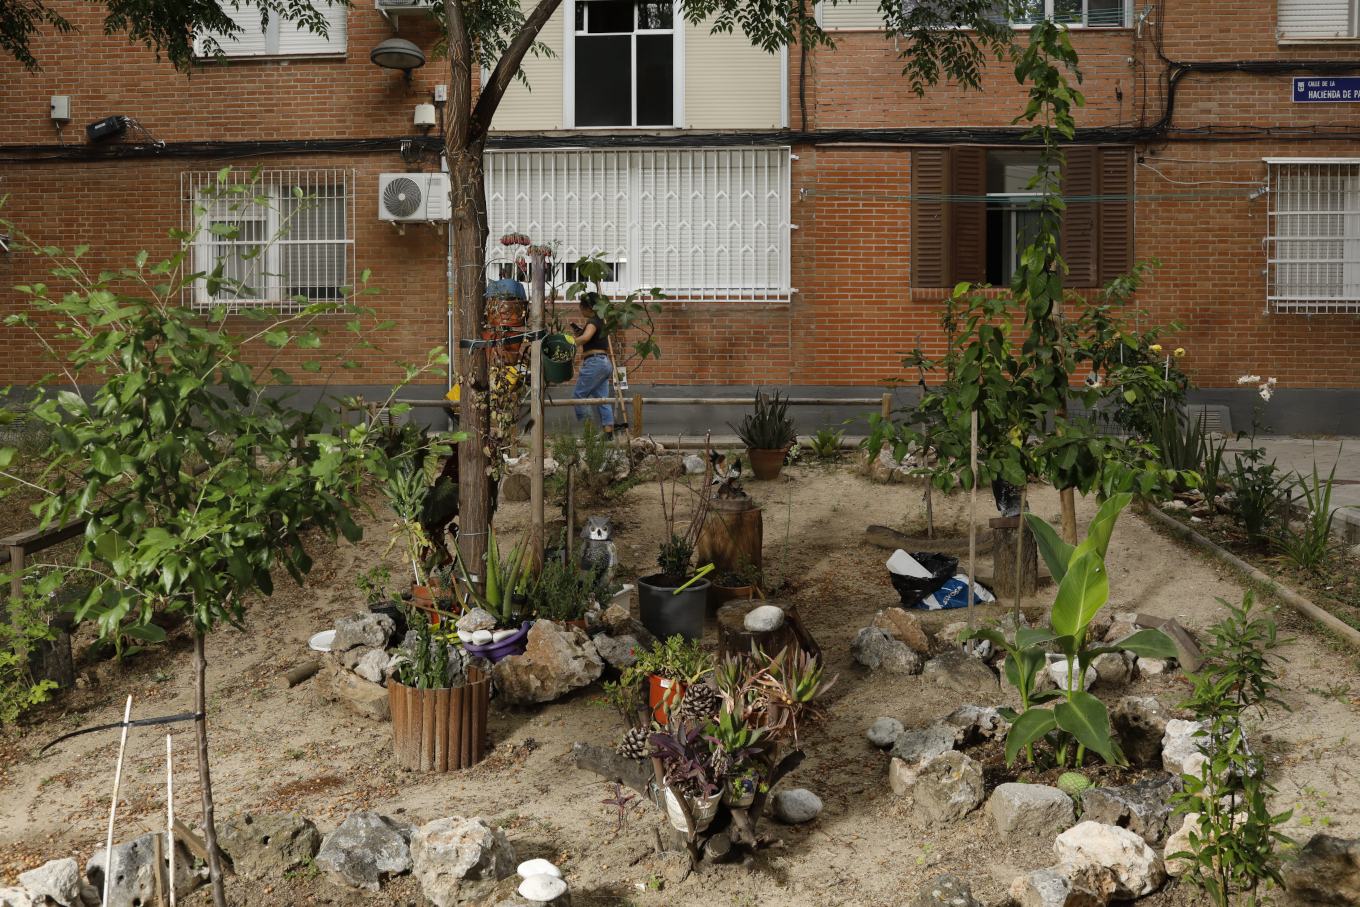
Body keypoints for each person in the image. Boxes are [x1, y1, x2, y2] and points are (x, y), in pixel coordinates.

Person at [571, 293, 614, 435]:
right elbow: (588, 338)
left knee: (579, 396)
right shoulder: (601, 321)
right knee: (602, 400)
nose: (581, 311)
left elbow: (586, 338)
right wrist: (579, 333)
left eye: (581, 307)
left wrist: (568, 342)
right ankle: (608, 435)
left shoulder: (592, 321)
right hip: (604, 363)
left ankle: (589, 434)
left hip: (594, 363)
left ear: (588, 307)